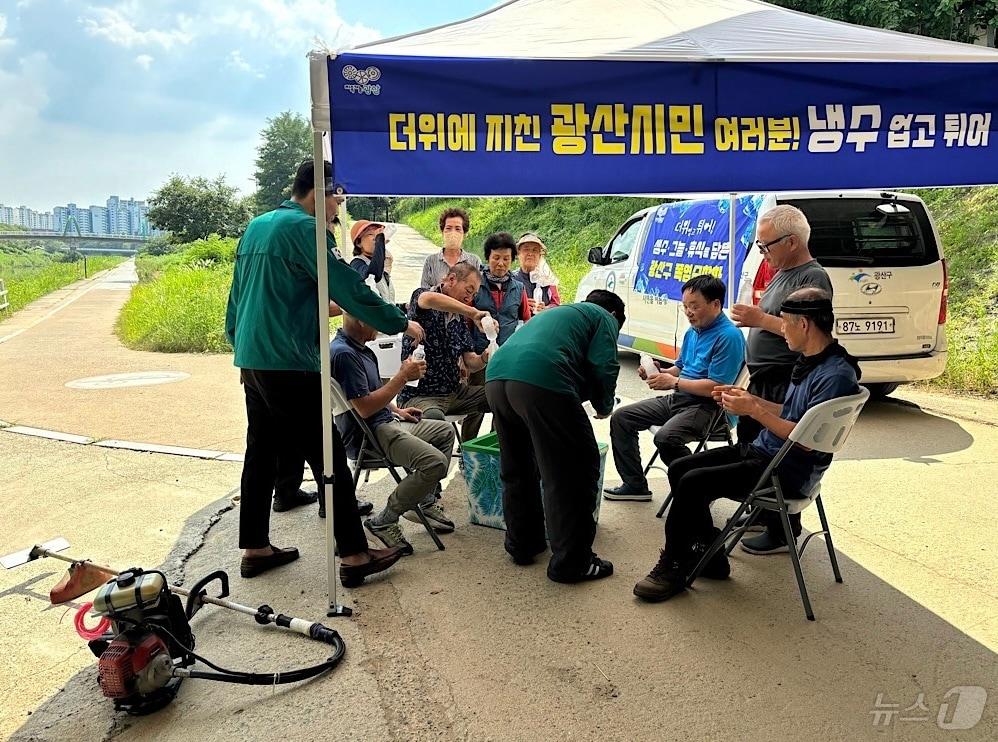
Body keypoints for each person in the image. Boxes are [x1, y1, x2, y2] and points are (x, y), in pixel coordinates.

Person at [225, 158, 424, 585]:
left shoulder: (258, 226)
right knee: (328, 454)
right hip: (290, 360)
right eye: (339, 198)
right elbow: (347, 286)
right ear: (322, 191)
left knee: (260, 452)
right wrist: (397, 320)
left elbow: (239, 295)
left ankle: (255, 547)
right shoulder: (306, 230)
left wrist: (239, 341)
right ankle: (354, 554)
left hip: (254, 358)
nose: (339, 208)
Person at [633, 288, 861, 602]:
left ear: (804, 324)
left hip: (787, 469)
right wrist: (751, 399)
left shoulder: (834, 374)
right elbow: (798, 417)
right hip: (769, 452)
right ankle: (708, 551)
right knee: (682, 466)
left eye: (784, 322)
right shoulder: (814, 361)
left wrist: (753, 411)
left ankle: (675, 563)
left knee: (693, 482)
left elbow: (807, 442)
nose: (780, 329)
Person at [485, 290, 625, 584]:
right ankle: (573, 563)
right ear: (615, 315)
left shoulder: (558, 314)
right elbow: (605, 364)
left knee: (518, 467)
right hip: (541, 379)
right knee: (573, 470)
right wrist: (605, 405)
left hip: (496, 378)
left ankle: (522, 544)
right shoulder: (604, 317)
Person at [730, 204, 833, 554]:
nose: (763, 253)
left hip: (784, 376)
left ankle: (781, 531)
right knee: (751, 440)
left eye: (766, 246)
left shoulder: (812, 277)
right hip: (764, 375)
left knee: (777, 451)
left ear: (791, 242)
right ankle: (762, 511)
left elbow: (809, 329)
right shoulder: (781, 271)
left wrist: (760, 319)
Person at [604, 275, 745, 502]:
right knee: (622, 418)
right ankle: (635, 484)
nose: (688, 312)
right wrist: (658, 372)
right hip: (681, 399)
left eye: (694, 306)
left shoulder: (729, 336)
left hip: (710, 407)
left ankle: (698, 490)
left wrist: (674, 382)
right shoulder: (693, 331)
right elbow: (680, 368)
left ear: (716, 304)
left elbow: (717, 387)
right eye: (685, 306)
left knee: (666, 438)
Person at [330, 313, 457, 554]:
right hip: (370, 435)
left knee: (444, 431)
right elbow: (365, 407)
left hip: (385, 421)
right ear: (359, 319)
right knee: (435, 463)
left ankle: (423, 499)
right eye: (375, 318)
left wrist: (397, 409)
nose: (380, 326)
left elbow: (370, 391)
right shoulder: (344, 354)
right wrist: (402, 377)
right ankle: (383, 521)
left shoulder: (359, 348)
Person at [398, 263, 492, 441]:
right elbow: (429, 299)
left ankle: (490, 457)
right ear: (451, 280)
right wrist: (473, 312)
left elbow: (470, 359)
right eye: (468, 290)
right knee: (436, 422)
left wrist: (485, 357)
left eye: (473, 295)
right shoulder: (423, 298)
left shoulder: (460, 321)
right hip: (421, 397)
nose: (469, 297)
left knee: (502, 396)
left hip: (454, 393)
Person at [420, 207, 483, 288]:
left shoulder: (475, 262)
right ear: (442, 232)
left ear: (464, 234)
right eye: (448, 228)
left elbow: (479, 292)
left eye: (458, 229)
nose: (453, 233)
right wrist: (441, 288)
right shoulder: (431, 261)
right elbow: (424, 294)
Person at [513, 232, 561, 313]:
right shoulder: (511, 279)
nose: (530, 254)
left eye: (535, 250)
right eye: (526, 249)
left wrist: (546, 309)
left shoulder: (547, 279)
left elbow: (556, 304)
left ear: (540, 255)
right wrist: (521, 307)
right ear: (518, 253)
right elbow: (503, 307)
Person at [349, 219, 386, 284]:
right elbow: (373, 276)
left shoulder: (378, 262)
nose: (375, 237)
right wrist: (380, 239)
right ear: (358, 243)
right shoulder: (356, 263)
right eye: (371, 234)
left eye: (377, 233)